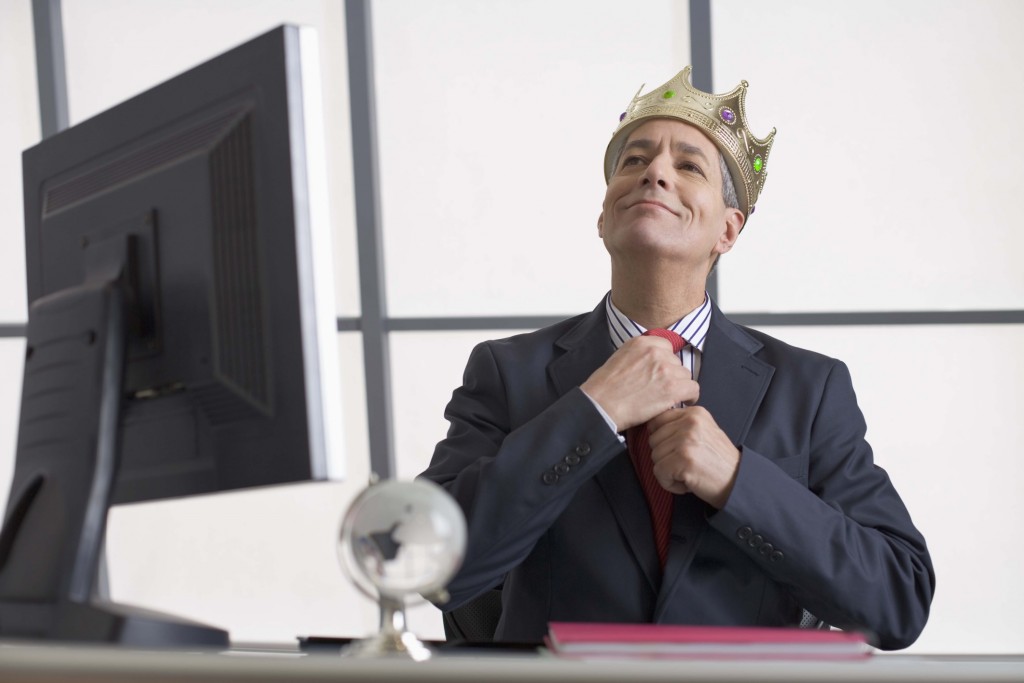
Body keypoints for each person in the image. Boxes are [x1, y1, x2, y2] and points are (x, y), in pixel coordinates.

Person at [418, 67, 934, 650]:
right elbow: (431, 567)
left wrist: (738, 481)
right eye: (634, 162)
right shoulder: (507, 372)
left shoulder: (810, 388)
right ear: (603, 215)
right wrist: (593, 412)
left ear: (728, 231)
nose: (655, 173)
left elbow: (899, 598)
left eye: (688, 166)